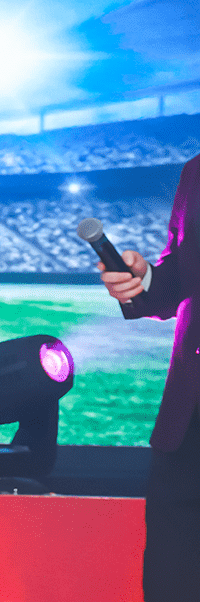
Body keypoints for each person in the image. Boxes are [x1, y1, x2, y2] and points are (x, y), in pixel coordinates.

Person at [97, 153, 200, 602]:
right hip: (189, 421)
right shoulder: (196, 170)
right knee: (172, 578)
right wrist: (144, 280)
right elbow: (183, 274)